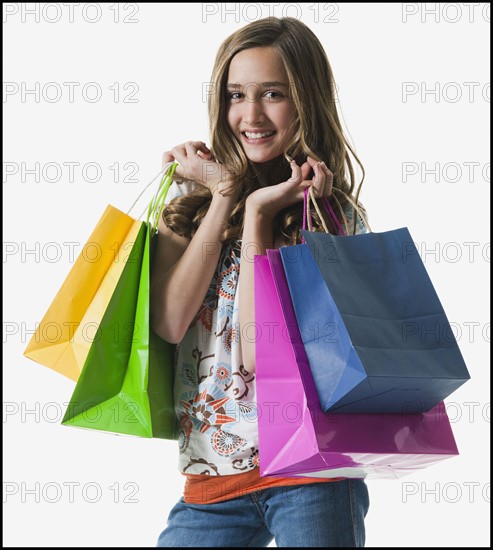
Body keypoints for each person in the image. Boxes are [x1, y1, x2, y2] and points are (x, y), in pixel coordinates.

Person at [151, 16, 369, 548]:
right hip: (213, 472)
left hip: (309, 471)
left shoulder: (329, 218)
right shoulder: (188, 208)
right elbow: (170, 324)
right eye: (235, 95)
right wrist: (226, 194)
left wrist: (257, 217)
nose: (250, 115)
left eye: (273, 94)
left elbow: (256, 351)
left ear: (305, 101)